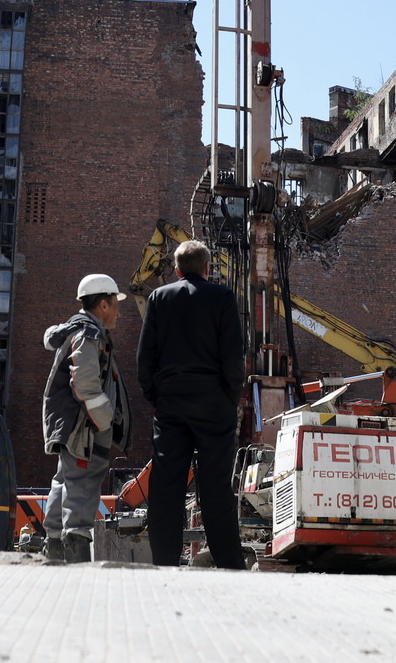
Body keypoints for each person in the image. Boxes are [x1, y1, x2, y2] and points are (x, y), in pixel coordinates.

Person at [137, 239, 246, 569]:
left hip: (171, 401)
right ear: (208, 268)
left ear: (176, 270)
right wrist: (229, 397)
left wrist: (156, 396)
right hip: (213, 401)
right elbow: (233, 356)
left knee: (166, 485)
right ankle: (229, 563)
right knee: (216, 487)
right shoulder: (223, 298)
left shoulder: (159, 297)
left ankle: (165, 562)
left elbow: (146, 358)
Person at [40, 274, 130, 564]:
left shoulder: (78, 330)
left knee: (63, 480)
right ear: (103, 304)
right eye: (116, 304)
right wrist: (104, 421)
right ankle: (76, 551)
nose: (118, 311)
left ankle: (53, 546)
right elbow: (86, 384)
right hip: (85, 428)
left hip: (72, 425)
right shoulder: (89, 334)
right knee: (82, 481)